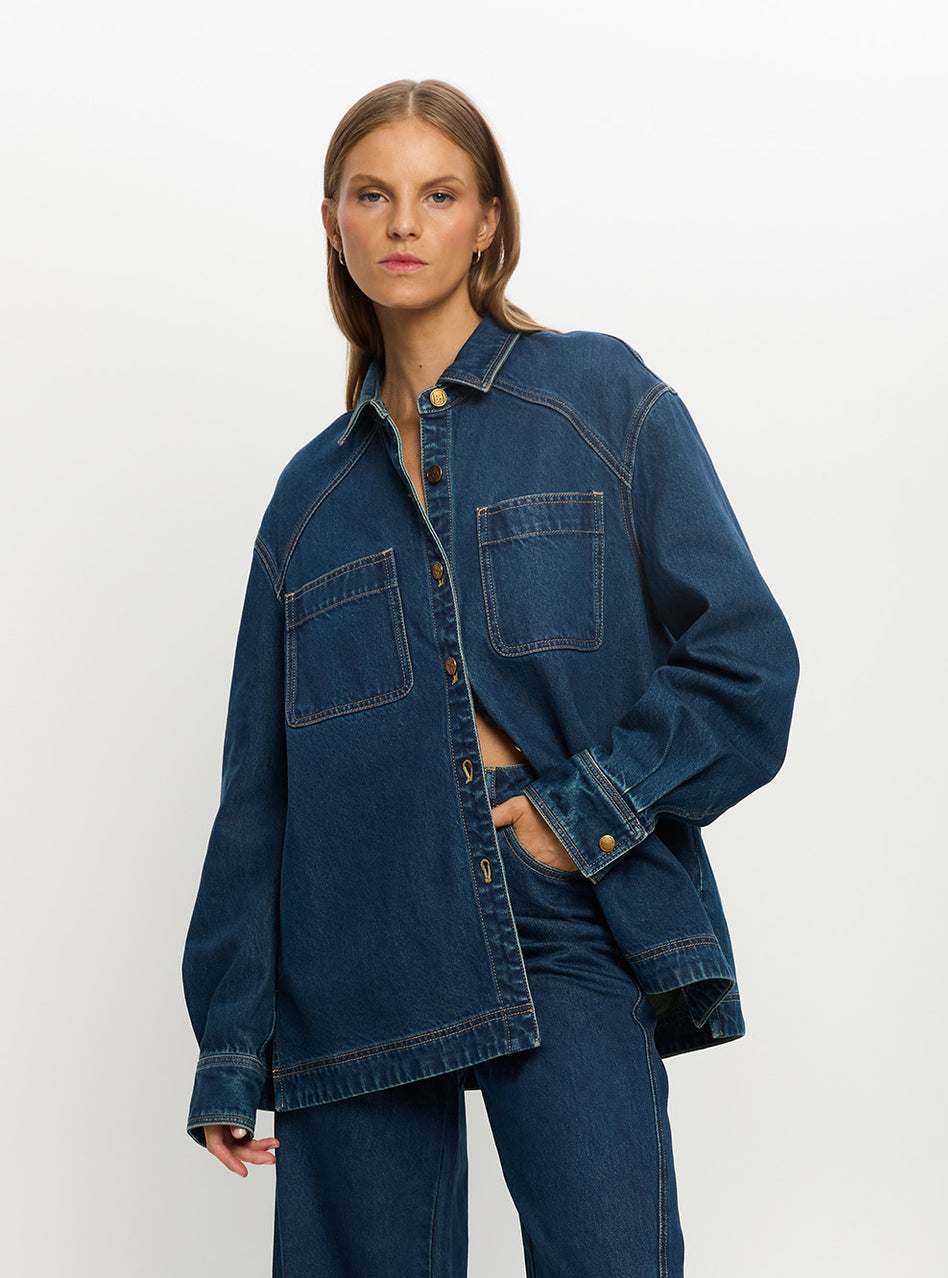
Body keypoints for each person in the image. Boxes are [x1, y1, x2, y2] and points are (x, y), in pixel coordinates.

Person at [181, 78, 800, 1277]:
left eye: (439, 193)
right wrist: (231, 1041)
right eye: (373, 196)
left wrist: (581, 818)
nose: (404, 223)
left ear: (487, 221)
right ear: (333, 225)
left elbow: (746, 658)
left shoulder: (598, 400)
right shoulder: (307, 505)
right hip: (355, 938)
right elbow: (259, 800)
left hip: (553, 905)